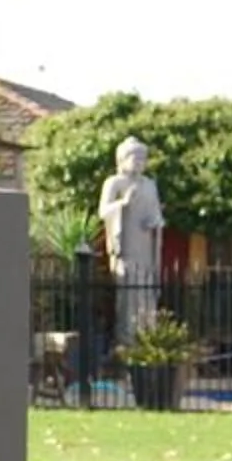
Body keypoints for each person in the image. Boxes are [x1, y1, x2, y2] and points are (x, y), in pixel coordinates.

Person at [98, 137, 165, 340]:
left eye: (142, 158)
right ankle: (127, 339)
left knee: (146, 292)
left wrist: (155, 222)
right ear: (122, 159)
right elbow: (103, 211)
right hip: (125, 248)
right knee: (128, 295)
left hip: (145, 248)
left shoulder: (150, 185)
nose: (139, 161)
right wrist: (122, 204)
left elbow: (156, 214)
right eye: (135, 157)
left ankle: (148, 337)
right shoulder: (114, 182)